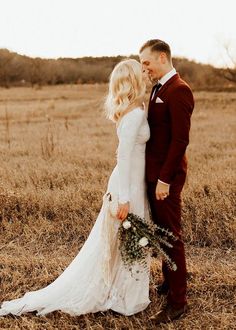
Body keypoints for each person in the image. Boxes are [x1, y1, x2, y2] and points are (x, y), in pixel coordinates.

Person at [0, 59, 151, 317]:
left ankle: (126, 290)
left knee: (126, 241)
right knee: (126, 240)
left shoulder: (136, 108)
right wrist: (124, 198)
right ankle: (124, 297)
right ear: (134, 79)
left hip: (133, 182)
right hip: (126, 185)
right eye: (142, 72)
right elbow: (123, 156)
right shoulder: (134, 114)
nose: (146, 74)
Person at [139, 39, 194, 324]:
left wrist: (163, 180)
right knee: (161, 233)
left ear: (162, 57)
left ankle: (178, 301)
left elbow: (180, 140)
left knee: (171, 236)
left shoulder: (179, 90)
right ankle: (168, 282)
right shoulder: (158, 87)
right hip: (152, 173)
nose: (144, 68)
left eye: (146, 62)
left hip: (165, 178)